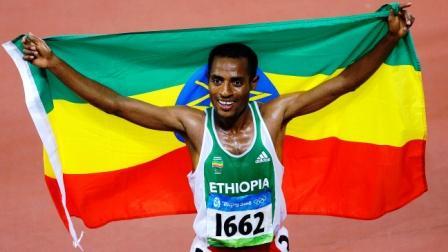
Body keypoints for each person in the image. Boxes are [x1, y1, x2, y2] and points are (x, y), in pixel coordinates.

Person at [21, 4, 414, 252]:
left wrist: (391, 38)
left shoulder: (274, 116)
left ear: (253, 83)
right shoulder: (192, 124)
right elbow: (116, 105)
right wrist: (55, 65)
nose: (225, 92)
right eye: (217, 81)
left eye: (236, 82)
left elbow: (343, 83)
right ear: (206, 82)